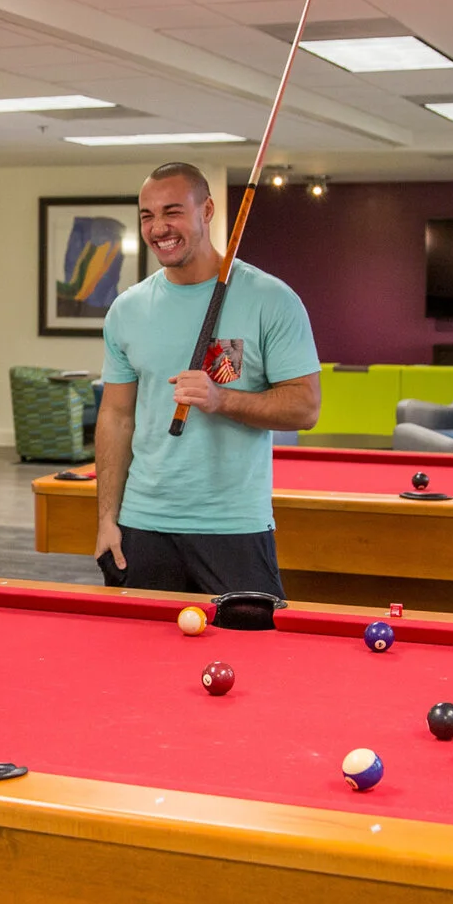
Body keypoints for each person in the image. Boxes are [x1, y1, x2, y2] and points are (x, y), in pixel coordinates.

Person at [94, 162, 320, 597]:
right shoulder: (127, 309)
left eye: (172, 211)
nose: (159, 227)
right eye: (147, 215)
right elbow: (116, 418)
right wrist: (107, 519)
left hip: (234, 527)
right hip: (143, 525)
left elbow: (305, 408)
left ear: (208, 210)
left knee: (254, 660)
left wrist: (223, 400)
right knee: (138, 663)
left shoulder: (271, 299)